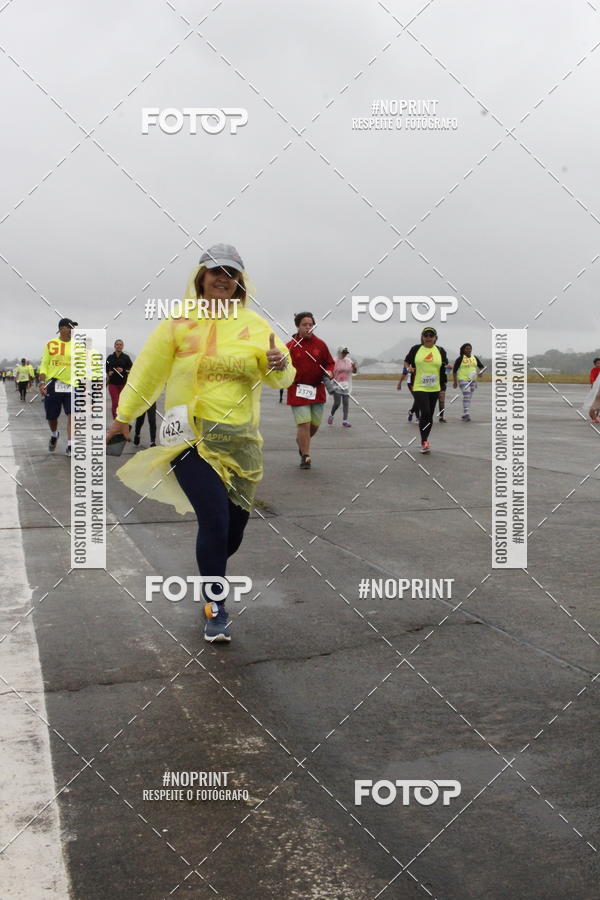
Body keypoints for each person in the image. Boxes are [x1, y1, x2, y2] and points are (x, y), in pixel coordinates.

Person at [106, 244, 294, 643]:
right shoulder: (177, 324)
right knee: (214, 518)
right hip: (188, 437)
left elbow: (280, 375)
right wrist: (123, 418)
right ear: (201, 278)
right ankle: (216, 605)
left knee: (235, 529)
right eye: (215, 271)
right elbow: (146, 374)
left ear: (239, 281)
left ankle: (211, 571)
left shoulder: (256, 326)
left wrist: (280, 365)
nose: (223, 277)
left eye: (231, 272)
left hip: (240, 440)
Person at [286, 312, 335, 469]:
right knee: (304, 424)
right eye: (304, 325)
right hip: (297, 389)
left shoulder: (320, 344)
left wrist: (330, 371)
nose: (308, 327)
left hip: (317, 389)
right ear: (298, 327)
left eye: (310, 324)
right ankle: (305, 456)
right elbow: (282, 365)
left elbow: (330, 363)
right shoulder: (290, 346)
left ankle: (301, 441)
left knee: (314, 425)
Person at [403, 327, 448, 453]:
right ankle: (424, 442)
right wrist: (409, 369)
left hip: (434, 387)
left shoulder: (440, 351)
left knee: (430, 416)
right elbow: (406, 362)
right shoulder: (416, 349)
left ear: (435, 338)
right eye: (426, 335)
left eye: (431, 335)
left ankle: (425, 440)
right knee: (426, 412)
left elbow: (443, 367)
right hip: (419, 386)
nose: (428, 337)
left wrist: (448, 370)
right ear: (422, 337)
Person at [39, 317, 79, 455]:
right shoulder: (51, 344)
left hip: (72, 385)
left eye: (73, 328)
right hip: (53, 384)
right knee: (52, 417)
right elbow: (44, 365)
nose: (72, 330)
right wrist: (42, 382)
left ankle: (70, 446)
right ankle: (54, 434)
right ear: (61, 329)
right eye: (70, 327)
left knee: (72, 415)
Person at [453, 343, 485, 421]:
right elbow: (454, 371)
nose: (468, 350)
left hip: (473, 380)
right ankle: (466, 413)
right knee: (467, 394)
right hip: (463, 379)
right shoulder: (460, 358)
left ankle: (465, 413)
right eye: (467, 348)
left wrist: (481, 372)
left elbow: (482, 367)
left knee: (468, 397)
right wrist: (455, 382)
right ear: (463, 349)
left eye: (470, 348)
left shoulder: (474, 358)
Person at [327, 348, 357, 427]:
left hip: (345, 385)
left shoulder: (348, 361)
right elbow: (330, 372)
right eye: (343, 353)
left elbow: (354, 371)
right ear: (339, 353)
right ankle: (331, 415)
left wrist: (354, 367)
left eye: (346, 353)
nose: (345, 354)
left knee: (346, 403)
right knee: (337, 403)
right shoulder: (335, 361)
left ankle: (345, 420)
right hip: (337, 384)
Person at [106, 339, 133, 419]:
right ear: (114, 346)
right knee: (115, 403)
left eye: (120, 344)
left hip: (123, 384)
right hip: (113, 384)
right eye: (117, 344)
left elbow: (131, 369)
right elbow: (106, 368)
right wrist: (108, 372)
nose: (119, 346)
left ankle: (122, 421)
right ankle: (115, 421)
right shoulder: (110, 357)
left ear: (123, 346)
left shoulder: (126, 357)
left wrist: (123, 370)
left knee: (122, 404)